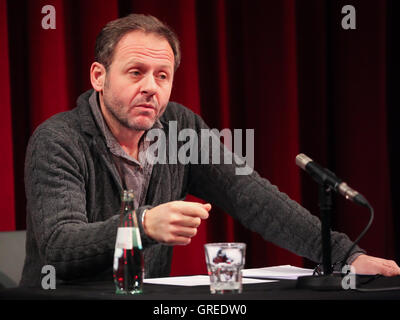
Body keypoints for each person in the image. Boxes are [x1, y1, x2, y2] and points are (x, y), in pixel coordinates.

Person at [20, 14, 400, 287]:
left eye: (163, 75)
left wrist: (345, 253)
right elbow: (59, 245)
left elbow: (253, 198)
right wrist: (141, 225)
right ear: (99, 77)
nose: (152, 87)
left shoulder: (179, 127)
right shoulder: (58, 139)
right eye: (136, 72)